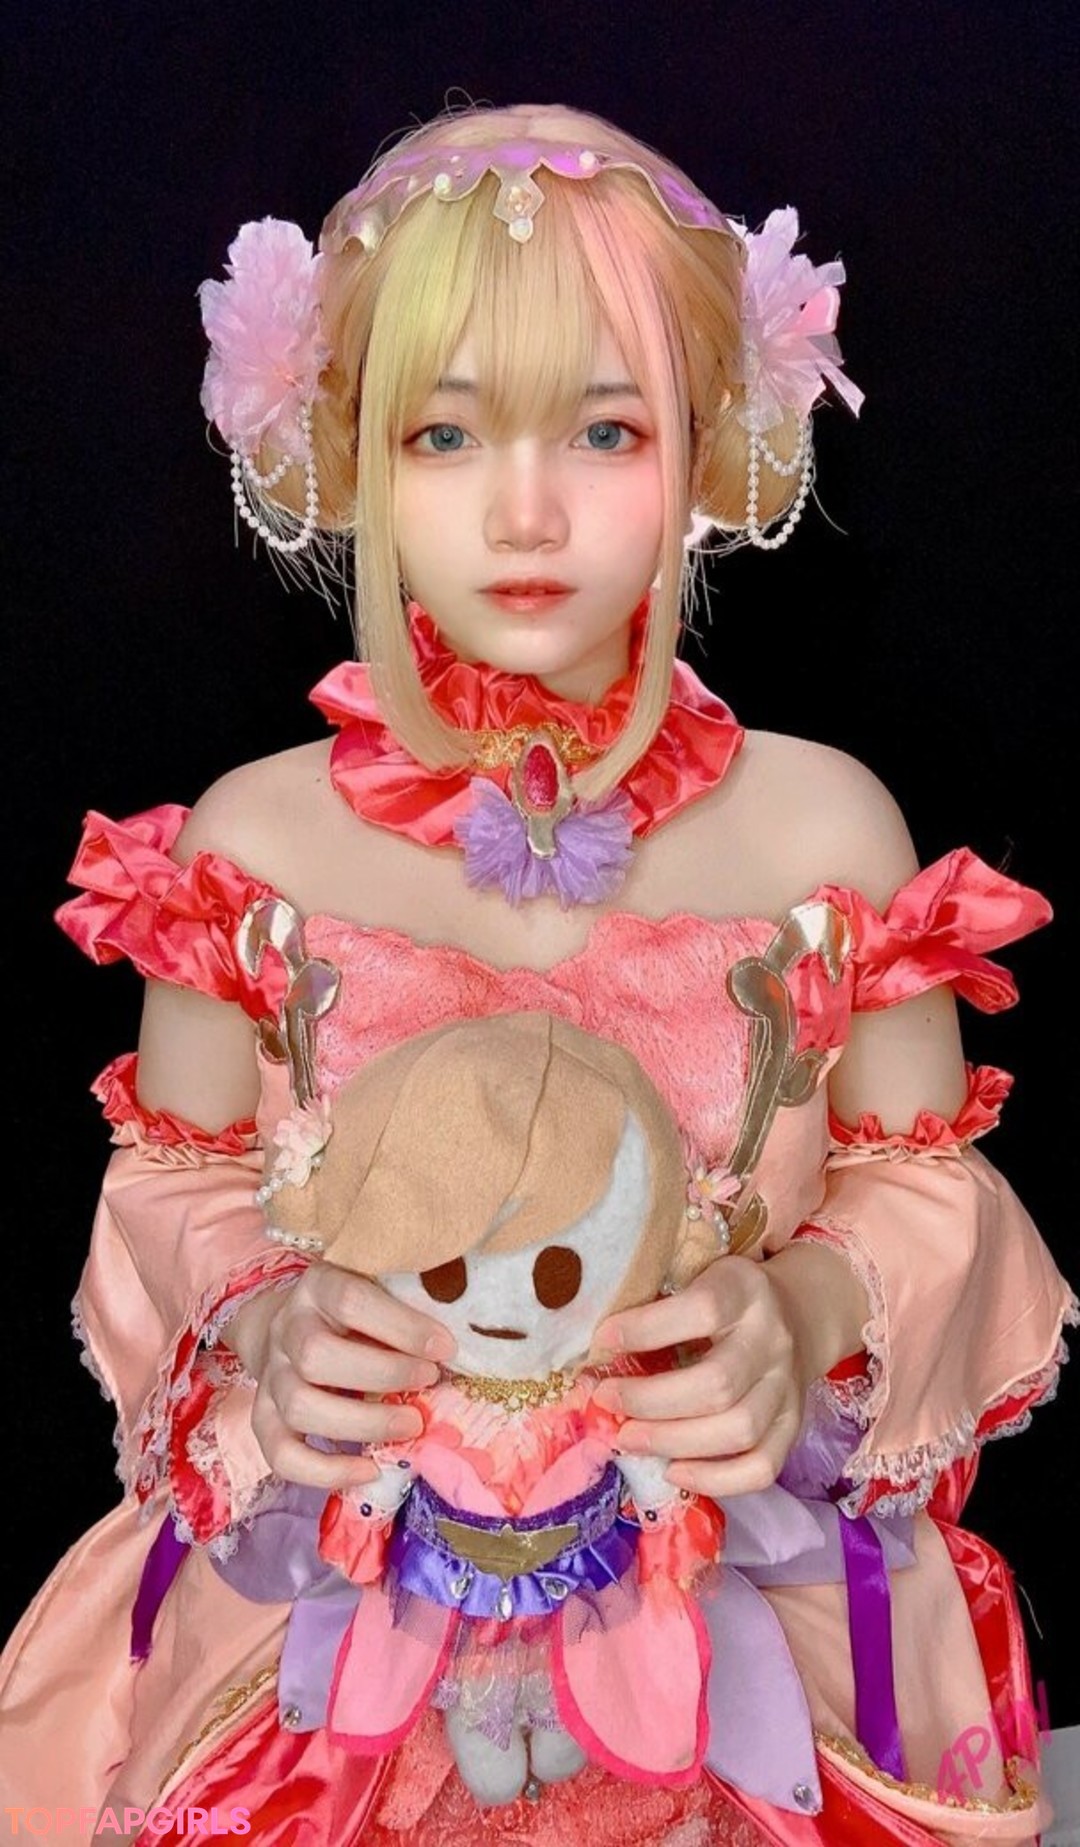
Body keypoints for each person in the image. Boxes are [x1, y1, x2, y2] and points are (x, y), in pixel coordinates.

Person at [0, 101, 1072, 1847]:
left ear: (706, 443)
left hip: (747, 1656)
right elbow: (171, 1190)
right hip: (323, 1673)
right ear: (349, 453)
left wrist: (803, 1315)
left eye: (605, 428)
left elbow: (926, 1188)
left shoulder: (828, 834)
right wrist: (263, 1322)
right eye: (443, 432)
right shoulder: (244, 855)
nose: (525, 507)